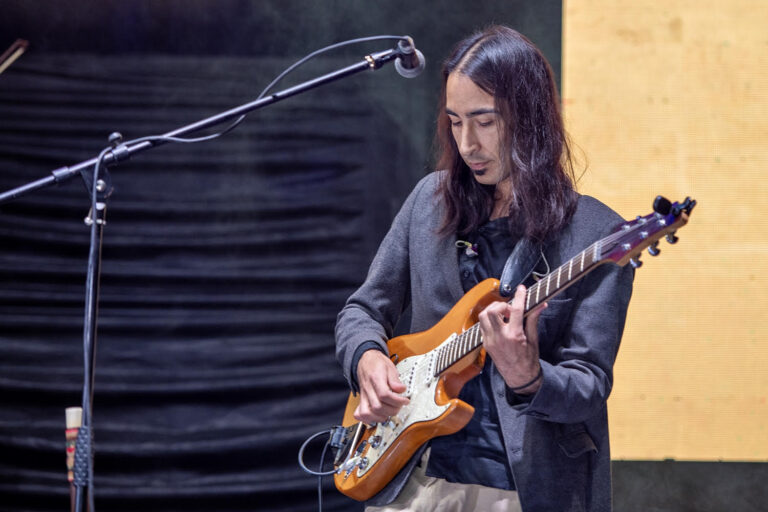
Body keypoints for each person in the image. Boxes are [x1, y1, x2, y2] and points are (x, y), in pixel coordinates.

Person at [335, 25, 633, 512]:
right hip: (416, 479)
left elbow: (589, 387)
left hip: (524, 490)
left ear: (531, 117)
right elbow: (362, 309)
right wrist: (367, 359)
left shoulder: (598, 234)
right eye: (454, 122)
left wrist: (528, 376)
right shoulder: (429, 201)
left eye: (484, 121)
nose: (467, 142)